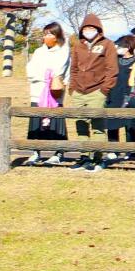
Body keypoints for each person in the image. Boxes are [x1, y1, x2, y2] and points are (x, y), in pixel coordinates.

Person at [68, 14, 116, 168]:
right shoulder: (77, 45)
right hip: (78, 92)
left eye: (92, 28)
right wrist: (72, 88)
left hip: (97, 91)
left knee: (97, 126)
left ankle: (98, 158)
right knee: (81, 125)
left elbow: (112, 69)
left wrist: (104, 89)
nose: (89, 30)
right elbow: (73, 68)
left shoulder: (107, 44)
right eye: (86, 28)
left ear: (98, 29)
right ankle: (84, 157)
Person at [23, 23, 71, 166]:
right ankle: (35, 152)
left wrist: (49, 76)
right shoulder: (39, 52)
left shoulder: (63, 50)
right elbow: (31, 69)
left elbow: (59, 71)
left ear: (57, 36)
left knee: (55, 122)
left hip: (54, 93)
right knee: (36, 122)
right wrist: (42, 76)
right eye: (45, 34)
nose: (47, 37)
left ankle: (58, 152)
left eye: (50, 34)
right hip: (38, 91)